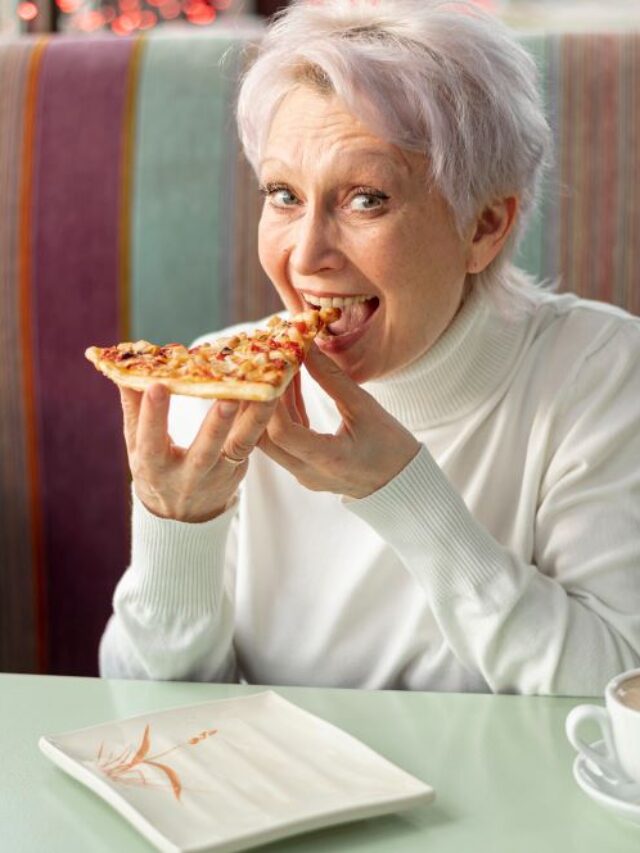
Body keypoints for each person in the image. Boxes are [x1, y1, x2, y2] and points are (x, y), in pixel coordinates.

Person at [100, 0, 640, 695]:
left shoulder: (599, 373)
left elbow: (619, 688)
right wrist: (178, 529)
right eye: (284, 194)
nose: (307, 256)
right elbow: (140, 707)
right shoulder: (216, 389)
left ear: (485, 225)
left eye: (365, 199)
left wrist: (398, 491)